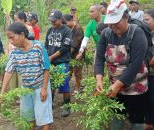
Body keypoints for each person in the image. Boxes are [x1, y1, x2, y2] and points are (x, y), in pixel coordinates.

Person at [94, 0, 148, 130]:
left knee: (136, 118)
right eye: (110, 23)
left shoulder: (137, 33)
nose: (112, 26)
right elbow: (100, 58)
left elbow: (136, 64)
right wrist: (99, 79)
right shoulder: (106, 34)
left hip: (136, 86)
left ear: (126, 17)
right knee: (116, 114)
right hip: (114, 85)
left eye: (116, 22)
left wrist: (118, 85)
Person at [0, 22, 53, 130]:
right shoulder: (14, 52)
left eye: (12, 38)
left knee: (44, 119)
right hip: (25, 89)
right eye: (9, 39)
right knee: (27, 119)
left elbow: (46, 68)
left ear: (22, 34)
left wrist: (44, 89)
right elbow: (8, 71)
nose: (11, 42)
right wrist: (2, 93)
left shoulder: (38, 46)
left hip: (40, 87)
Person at [45, 9, 72, 117]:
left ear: (61, 19)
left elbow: (65, 47)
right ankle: (49, 104)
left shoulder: (66, 31)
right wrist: (47, 56)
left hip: (61, 62)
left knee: (64, 85)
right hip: (51, 62)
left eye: (54, 21)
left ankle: (67, 106)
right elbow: (46, 44)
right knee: (50, 84)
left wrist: (52, 57)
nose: (52, 23)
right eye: (51, 20)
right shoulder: (50, 30)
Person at [63, 14, 84, 94]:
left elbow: (75, 44)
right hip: (69, 53)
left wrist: (65, 54)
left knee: (77, 72)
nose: (65, 24)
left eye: (66, 22)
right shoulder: (67, 28)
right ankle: (65, 87)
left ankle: (78, 87)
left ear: (71, 21)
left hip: (78, 53)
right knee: (69, 70)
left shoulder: (78, 29)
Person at [144, 9, 154, 130]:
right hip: (145, 72)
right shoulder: (145, 34)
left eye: (147, 19)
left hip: (150, 72)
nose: (144, 22)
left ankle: (149, 122)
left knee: (151, 98)